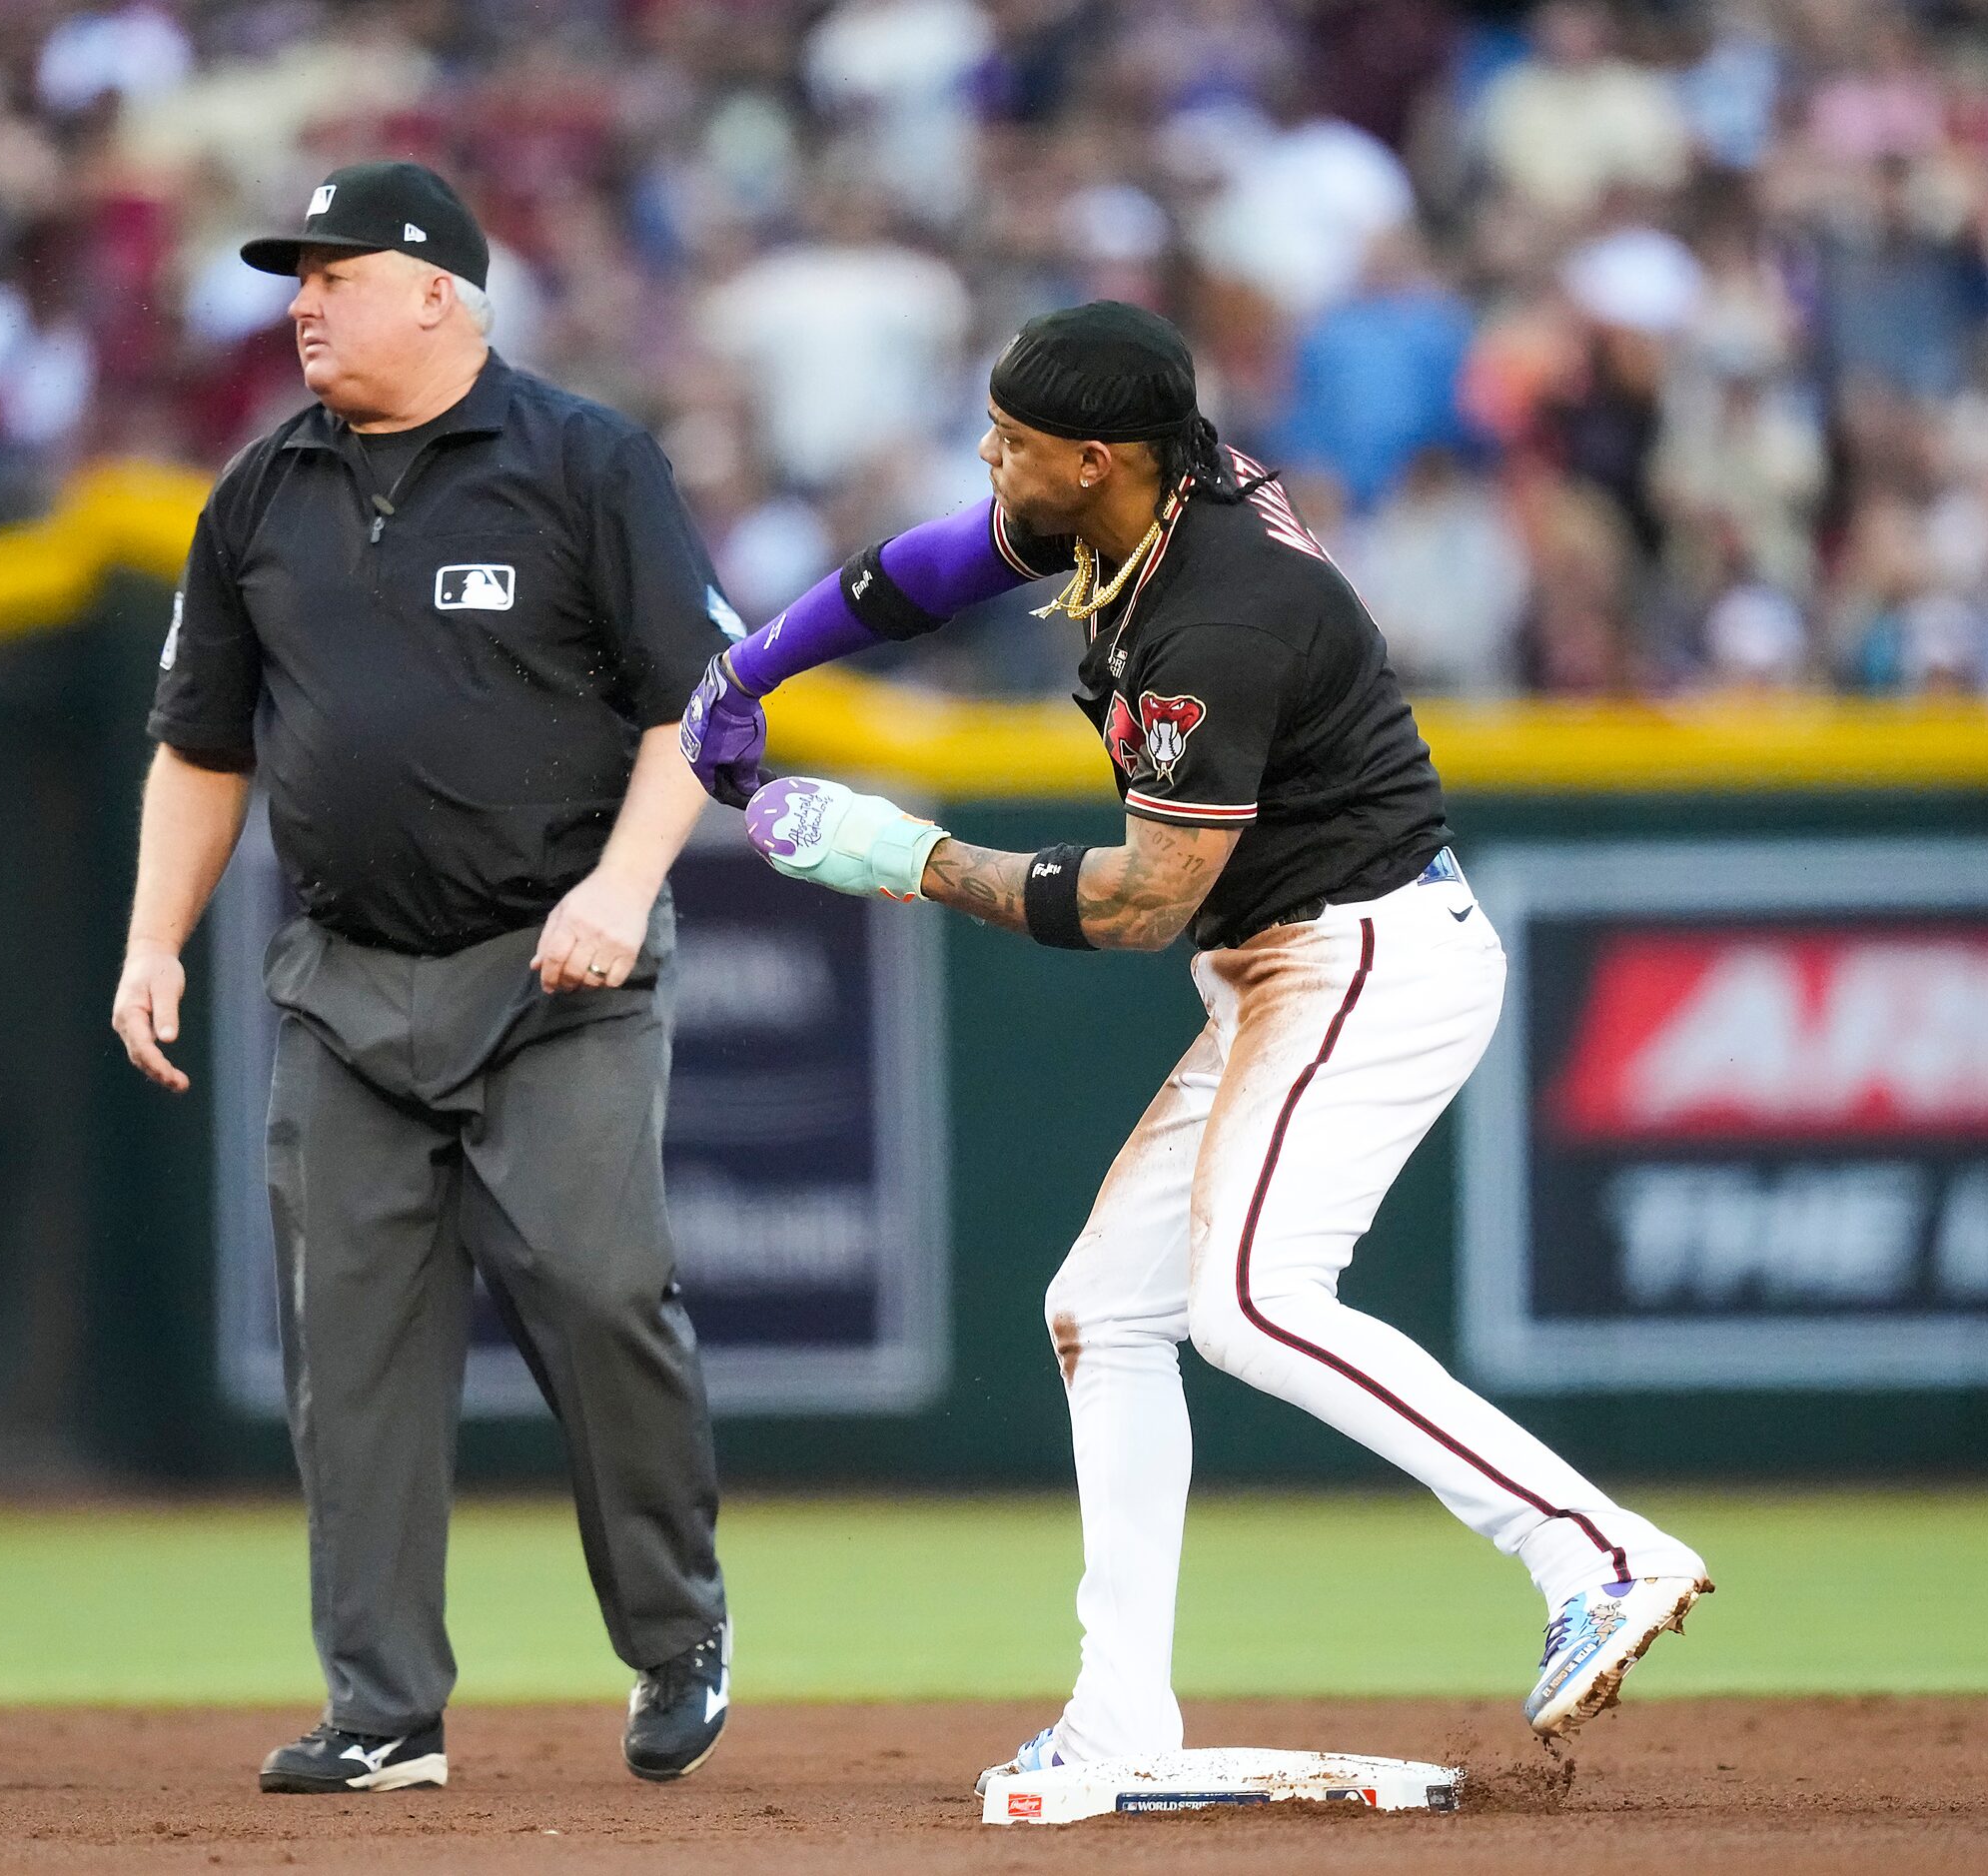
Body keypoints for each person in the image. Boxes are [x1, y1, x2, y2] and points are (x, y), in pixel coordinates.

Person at [678, 301, 1711, 1787]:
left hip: (1363, 957)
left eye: (1014, 441)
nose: (988, 458)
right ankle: (1118, 1716)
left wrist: (901, 854)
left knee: (1249, 1298)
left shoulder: (1216, 610)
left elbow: (1150, 900)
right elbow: (935, 568)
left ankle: (1599, 1550)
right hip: (1291, 960)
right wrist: (757, 663)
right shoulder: (1139, 500)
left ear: (1098, 458)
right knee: (1106, 1307)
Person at [112, 161, 736, 1794]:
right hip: (345, 982)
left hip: (553, 968)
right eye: (291, 276)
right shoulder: (255, 493)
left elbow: (708, 707)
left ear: (441, 290)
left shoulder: (586, 461)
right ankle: (385, 1706)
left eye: (334, 271)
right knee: (353, 1357)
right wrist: (149, 940)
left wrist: (621, 882)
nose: (301, 300)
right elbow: (197, 744)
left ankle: (677, 1631)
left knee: (603, 1294)